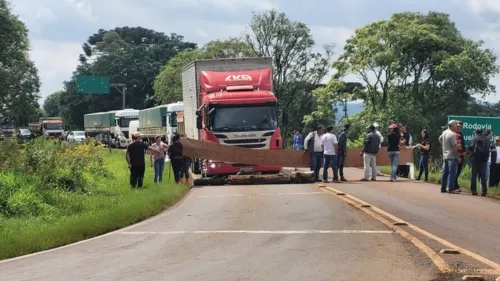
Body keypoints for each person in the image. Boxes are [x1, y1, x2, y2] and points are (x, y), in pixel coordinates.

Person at [438, 120, 460, 194]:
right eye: (455, 125)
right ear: (452, 126)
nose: (456, 127)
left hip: (445, 155)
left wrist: (444, 145)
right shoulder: (452, 134)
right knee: (452, 173)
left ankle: (443, 188)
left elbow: (439, 139)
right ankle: (451, 189)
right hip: (451, 156)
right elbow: (454, 147)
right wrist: (458, 156)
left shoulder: (444, 132)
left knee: (445, 173)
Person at [468, 128, 490, 196]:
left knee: (474, 175)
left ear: (476, 132)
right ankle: (484, 191)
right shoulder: (486, 138)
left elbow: (469, 148)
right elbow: (487, 148)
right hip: (483, 160)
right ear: (481, 132)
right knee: (483, 175)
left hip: (474, 159)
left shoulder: (473, 138)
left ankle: (474, 190)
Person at [453, 121, 466, 191]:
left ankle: (455, 184)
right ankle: (454, 185)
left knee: (458, 170)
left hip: (461, 154)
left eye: (460, 127)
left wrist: (464, 151)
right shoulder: (454, 134)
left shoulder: (460, 134)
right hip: (456, 155)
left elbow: (462, 144)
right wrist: (457, 155)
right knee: (456, 170)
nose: (459, 128)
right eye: (457, 127)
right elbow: (455, 146)